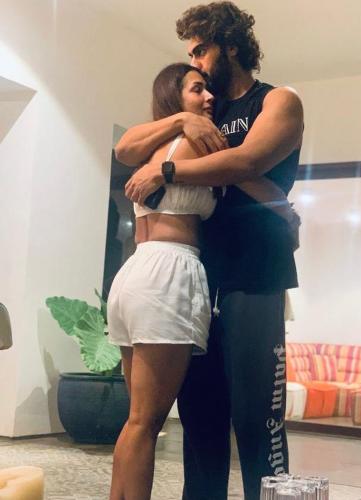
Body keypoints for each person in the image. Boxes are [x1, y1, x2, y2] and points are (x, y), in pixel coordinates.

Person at [117, 4, 303, 499]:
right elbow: (130, 145)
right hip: (198, 279)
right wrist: (181, 118)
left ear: (231, 46)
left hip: (255, 274)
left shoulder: (277, 100)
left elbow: (245, 161)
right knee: (200, 418)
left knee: (257, 419)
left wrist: (167, 171)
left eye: (201, 49)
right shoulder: (203, 112)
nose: (195, 62)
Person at [107, 63, 219, 500]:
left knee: (136, 420)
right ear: (174, 96)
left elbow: (123, 148)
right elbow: (243, 167)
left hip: (135, 272)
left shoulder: (152, 149)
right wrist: (184, 119)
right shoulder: (196, 139)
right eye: (197, 89)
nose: (208, 97)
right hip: (169, 272)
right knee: (146, 422)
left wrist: (179, 118)